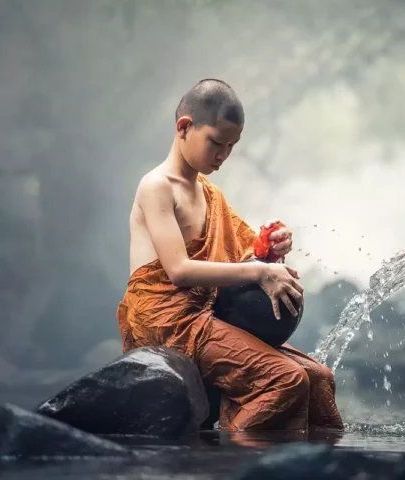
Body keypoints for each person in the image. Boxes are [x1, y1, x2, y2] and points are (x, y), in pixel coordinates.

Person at [117, 78, 343, 432]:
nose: (223, 155)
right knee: (286, 381)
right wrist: (258, 273)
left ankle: (319, 465)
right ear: (184, 127)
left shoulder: (209, 193)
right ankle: (229, 458)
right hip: (170, 324)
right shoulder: (157, 186)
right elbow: (178, 270)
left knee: (318, 378)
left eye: (231, 146)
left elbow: (248, 251)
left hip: (207, 316)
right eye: (216, 143)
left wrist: (272, 247)